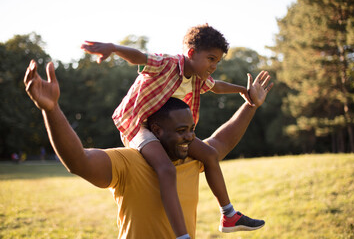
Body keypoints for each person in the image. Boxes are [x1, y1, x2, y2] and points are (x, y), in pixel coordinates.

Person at [24, 60, 273, 238]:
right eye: (180, 131)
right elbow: (78, 161)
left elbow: (221, 141)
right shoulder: (128, 162)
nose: (188, 137)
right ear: (155, 130)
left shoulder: (193, 159)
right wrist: (51, 109)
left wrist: (251, 104)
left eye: (191, 129)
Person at [81, 23, 268, 237]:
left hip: (165, 129)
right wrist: (114, 48)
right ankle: (182, 235)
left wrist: (244, 91)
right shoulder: (167, 64)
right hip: (137, 124)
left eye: (217, 60)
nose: (214, 66)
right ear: (191, 53)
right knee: (166, 169)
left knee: (209, 154)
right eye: (211, 59)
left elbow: (216, 86)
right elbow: (139, 57)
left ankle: (229, 215)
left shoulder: (198, 78)